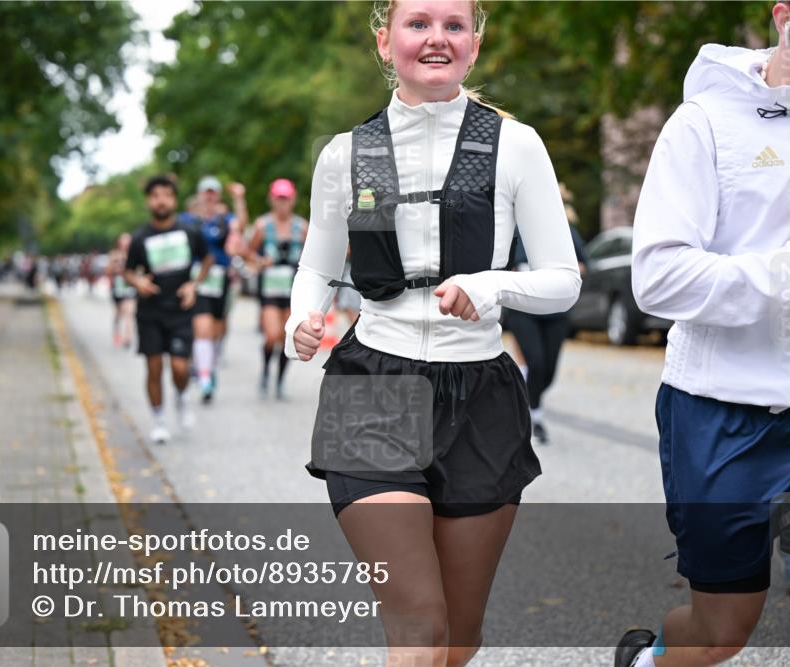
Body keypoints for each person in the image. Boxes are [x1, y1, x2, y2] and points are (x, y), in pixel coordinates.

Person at [285, 2, 582, 664]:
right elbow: (317, 268)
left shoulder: (516, 145)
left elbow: (564, 280)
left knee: (458, 638)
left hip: (480, 394)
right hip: (373, 386)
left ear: (475, 43)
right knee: (419, 631)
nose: (436, 39)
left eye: (454, 26)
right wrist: (298, 319)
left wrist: (492, 287)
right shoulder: (344, 155)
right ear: (385, 40)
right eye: (418, 23)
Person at [615, 3, 790, 666]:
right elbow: (658, 280)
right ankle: (648, 660)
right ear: (785, 19)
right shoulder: (705, 124)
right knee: (719, 632)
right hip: (722, 419)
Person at [124, 175, 213, 444]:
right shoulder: (139, 237)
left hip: (180, 309)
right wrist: (138, 282)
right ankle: (159, 420)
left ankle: (182, 397)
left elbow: (207, 258)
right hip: (150, 312)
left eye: (166, 195)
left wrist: (194, 285)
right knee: (153, 368)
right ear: (148, 202)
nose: (160, 201)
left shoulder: (189, 231)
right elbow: (127, 271)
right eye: (155, 196)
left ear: (174, 200)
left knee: (179, 367)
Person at [506, 199, 588, 444]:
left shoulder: (565, 230)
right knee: (536, 363)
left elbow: (583, 264)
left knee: (548, 372)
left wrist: (568, 271)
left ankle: (524, 404)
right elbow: (499, 266)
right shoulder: (515, 231)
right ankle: (534, 417)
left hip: (556, 311)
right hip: (523, 309)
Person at [185, 175, 248, 404]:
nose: (209, 197)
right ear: (200, 194)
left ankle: (206, 367)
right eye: (206, 192)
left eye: (213, 193)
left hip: (220, 280)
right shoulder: (188, 220)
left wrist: (239, 199)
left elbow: (241, 225)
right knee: (202, 327)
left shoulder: (224, 220)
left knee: (215, 332)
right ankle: (204, 379)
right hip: (197, 280)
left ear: (218, 196)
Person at [247, 178, 309, 399]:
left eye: (286, 198)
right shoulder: (263, 226)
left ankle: (280, 381)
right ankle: (265, 371)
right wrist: (259, 261)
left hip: (293, 291)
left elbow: (313, 259)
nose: (282, 203)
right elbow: (248, 253)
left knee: (287, 338)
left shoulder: (302, 227)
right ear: (271, 199)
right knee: (272, 335)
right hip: (270, 290)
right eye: (278, 198)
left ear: (293, 200)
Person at [107, 233, 136, 349]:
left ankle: (127, 337)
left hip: (130, 287)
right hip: (117, 288)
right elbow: (107, 271)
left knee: (129, 312)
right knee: (119, 313)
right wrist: (116, 266)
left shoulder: (134, 254)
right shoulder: (114, 254)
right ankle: (117, 332)